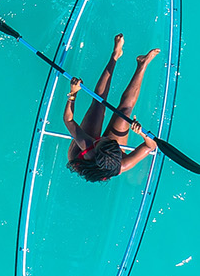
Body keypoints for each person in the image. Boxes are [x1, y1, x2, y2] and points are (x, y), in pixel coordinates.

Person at [63, 33, 161, 182]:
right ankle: (143, 64)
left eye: (101, 140)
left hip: (82, 155)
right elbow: (150, 146)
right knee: (125, 112)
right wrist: (142, 133)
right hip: (105, 155)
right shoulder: (122, 164)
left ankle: (115, 55)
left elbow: (69, 120)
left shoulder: (87, 145)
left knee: (98, 104)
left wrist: (73, 93)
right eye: (106, 139)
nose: (102, 137)